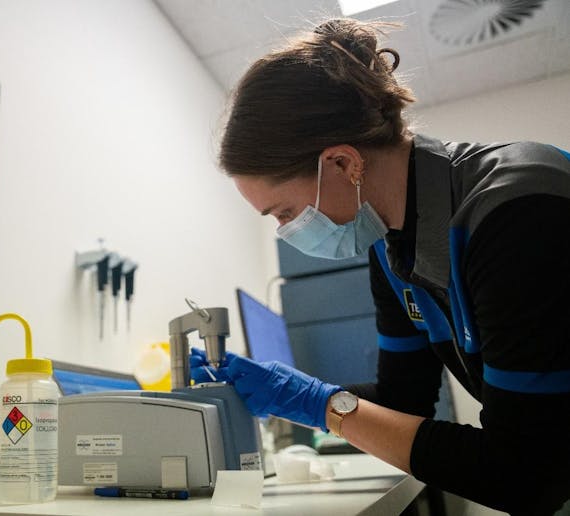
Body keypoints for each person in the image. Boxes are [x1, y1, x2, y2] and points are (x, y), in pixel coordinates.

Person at [190, 17, 570, 516]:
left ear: (344, 164)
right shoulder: (391, 249)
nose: (287, 230)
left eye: (284, 212)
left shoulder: (517, 210)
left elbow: (527, 475)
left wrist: (318, 404)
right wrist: (288, 393)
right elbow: (402, 399)